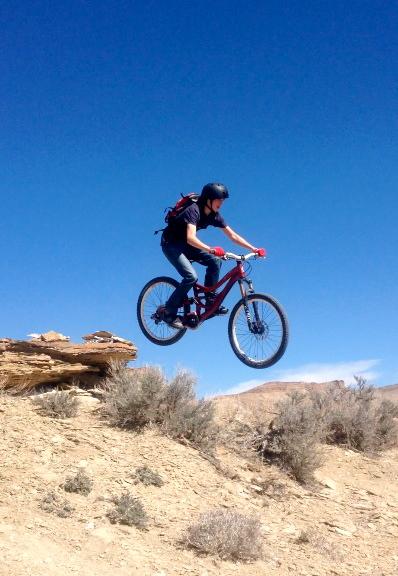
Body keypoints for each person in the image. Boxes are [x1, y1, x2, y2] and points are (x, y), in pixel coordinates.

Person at [160, 182, 265, 329]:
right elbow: (191, 237)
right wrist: (210, 249)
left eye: (223, 200)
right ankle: (169, 313)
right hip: (171, 244)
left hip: (187, 245)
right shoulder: (193, 210)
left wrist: (253, 249)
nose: (221, 203)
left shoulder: (214, 216)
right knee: (191, 276)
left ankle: (210, 301)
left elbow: (233, 236)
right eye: (219, 199)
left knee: (215, 261)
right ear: (208, 199)